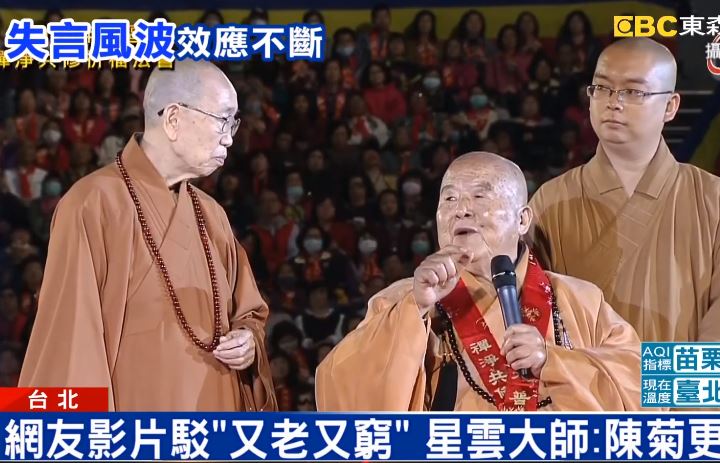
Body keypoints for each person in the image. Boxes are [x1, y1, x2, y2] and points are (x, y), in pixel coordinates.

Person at [19, 60, 278, 411]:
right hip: (136, 427)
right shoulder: (91, 204)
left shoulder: (212, 214)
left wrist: (247, 341)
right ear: (173, 119)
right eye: (222, 119)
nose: (230, 137)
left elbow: (249, 312)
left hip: (216, 423)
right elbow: (70, 338)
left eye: (233, 122)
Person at [316, 151, 641, 411]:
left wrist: (553, 360)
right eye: (449, 199)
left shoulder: (578, 297)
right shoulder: (405, 299)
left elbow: (648, 382)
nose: (461, 210)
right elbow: (335, 386)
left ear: (522, 219)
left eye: (480, 196)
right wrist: (414, 314)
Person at [529, 38, 720, 343]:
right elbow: (530, 312)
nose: (613, 102)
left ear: (670, 106)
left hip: (682, 374)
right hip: (581, 374)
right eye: (602, 88)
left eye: (633, 92)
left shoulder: (715, 201)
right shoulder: (551, 201)